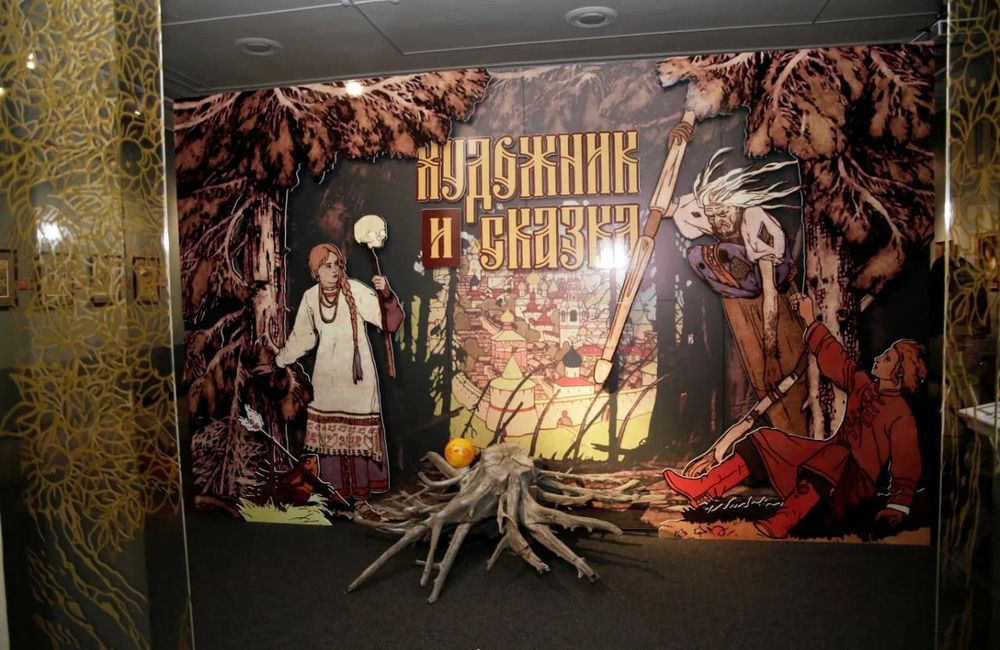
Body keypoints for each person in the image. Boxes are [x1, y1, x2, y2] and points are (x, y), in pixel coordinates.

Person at [664, 294, 926, 539]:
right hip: (825, 463)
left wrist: (898, 506)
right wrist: (809, 317)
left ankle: (784, 520)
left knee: (835, 455)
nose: (880, 358)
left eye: (888, 358)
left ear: (899, 373)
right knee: (766, 439)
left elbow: (907, 465)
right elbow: (835, 358)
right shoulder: (863, 386)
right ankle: (703, 487)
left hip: (851, 487)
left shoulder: (901, 415)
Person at [273, 243, 403, 502]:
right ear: (316, 271)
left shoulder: (356, 290)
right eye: (327, 266)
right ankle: (337, 494)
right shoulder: (311, 297)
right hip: (328, 379)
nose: (334, 270)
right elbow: (302, 338)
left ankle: (364, 494)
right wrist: (280, 360)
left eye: (337, 265)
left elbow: (389, 322)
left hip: (358, 380)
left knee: (359, 433)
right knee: (330, 437)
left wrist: (386, 294)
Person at [670, 148, 798, 388]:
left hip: (773, 272)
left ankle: (746, 286)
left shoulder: (753, 218)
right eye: (712, 216)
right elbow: (670, 209)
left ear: (736, 206)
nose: (717, 222)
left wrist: (770, 354)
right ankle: (739, 288)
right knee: (697, 255)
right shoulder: (712, 213)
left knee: (723, 253)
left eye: (722, 214)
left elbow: (770, 292)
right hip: (742, 270)